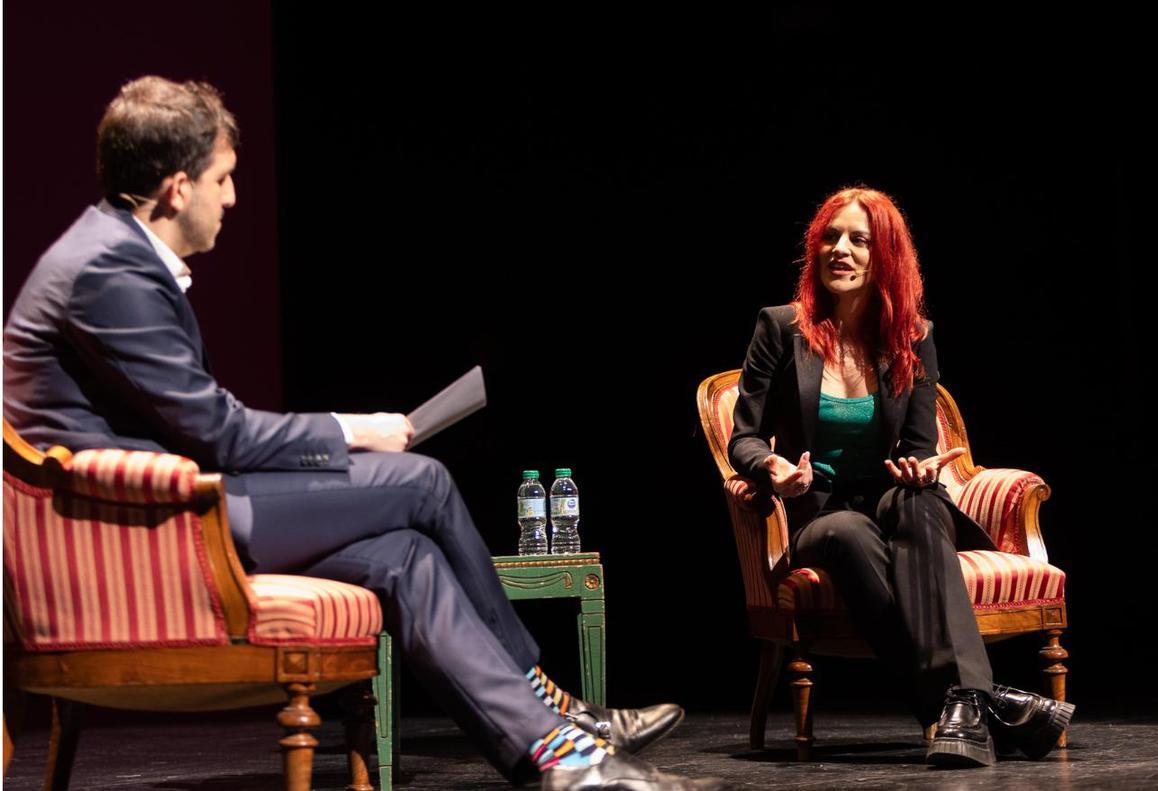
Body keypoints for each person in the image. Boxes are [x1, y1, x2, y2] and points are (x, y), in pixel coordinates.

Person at [3, 75, 722, 790]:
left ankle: (561, 760)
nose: (232, 197)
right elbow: (216, 431)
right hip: (144, 532)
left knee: (404, 555)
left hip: (170, 509)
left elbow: (198, 424)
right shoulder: (109, 270)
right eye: (222, 179)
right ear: (176, 187)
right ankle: (552, 704)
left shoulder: (110, 252)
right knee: (421, 479)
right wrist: (357, 428)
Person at [727, 186, 1075, 767]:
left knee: (921, 503)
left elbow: (917, 447)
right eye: (830, 237)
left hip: (893, 496)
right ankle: (983, 702)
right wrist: (773, 467)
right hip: (821, 511)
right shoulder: (780, 329)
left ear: (884, 255)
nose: (840, 249)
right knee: (847, 533)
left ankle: (960, 709)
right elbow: (742, 436)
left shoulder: (913, 336)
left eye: (858, 240)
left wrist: (919, 467)